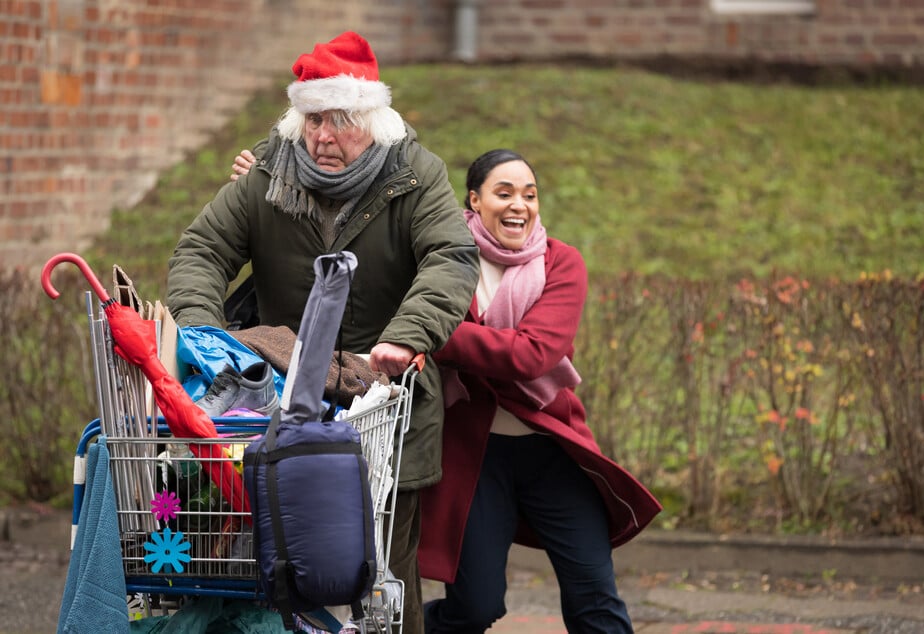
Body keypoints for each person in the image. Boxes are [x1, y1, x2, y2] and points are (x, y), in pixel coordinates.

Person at [166, 31, 481, 634]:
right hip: (283, 405)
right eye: (312, 120)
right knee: (278, 561)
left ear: (376, 121)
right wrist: (206, 338)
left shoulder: (415, 174)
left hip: (389, 407)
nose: (322, 137)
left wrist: (406, 336)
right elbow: (202, 250)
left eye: (339, 121)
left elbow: (450, 255)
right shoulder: (267, 172)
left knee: (386, 573)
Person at [415, 149, 663, 633]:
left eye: (529, 195)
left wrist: (434, 333)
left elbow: (531, 355)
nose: (519, 206)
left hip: (552, 451)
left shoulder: (561, 263)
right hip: (475, 457)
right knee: (475, 607)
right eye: (503, 193)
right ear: (475, 200)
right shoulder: (445, 261)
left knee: (594, 596)